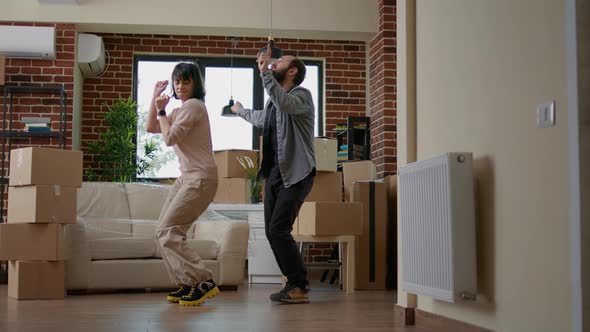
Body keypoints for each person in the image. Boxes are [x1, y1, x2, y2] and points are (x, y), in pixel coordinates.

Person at [231, 45, 316, 304]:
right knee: (272, 230)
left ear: (292, 71)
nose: (273, 64)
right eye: (273, 62)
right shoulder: (273, 100)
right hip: (275, 172)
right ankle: (294, 284)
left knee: (279, 228)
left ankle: (299, 285)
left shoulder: (301, 96)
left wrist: (264, 73)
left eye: (279, 62)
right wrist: (240, 111)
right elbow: (262, 118)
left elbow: (284, 103)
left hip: (297, 172)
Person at [146, 62, 219, 306]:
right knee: (162, 232)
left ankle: (203, 281)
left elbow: (170, 138)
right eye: (177, 82)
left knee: (168, 231)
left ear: (196, 84)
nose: (180, 86)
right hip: (187, 176)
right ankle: (187, 283)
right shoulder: (180, 110)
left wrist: (162, 112)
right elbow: (152, 127)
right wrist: (156, 99)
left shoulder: (195, 106)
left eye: (186, 81)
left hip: (200, 177)